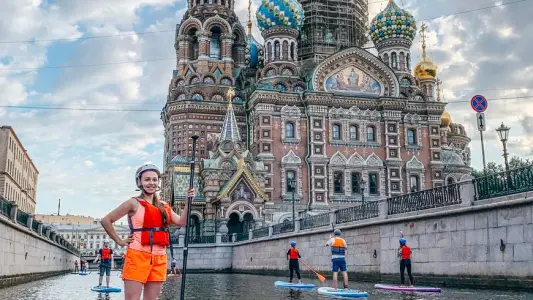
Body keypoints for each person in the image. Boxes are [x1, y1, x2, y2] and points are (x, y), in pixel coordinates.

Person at [100, 164, 195, 300]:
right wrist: (119, 241)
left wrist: (188, 201)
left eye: (155, 180)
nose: (151, 183)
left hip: (160, 257)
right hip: (138, 255)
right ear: (140, 182)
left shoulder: (164, 205)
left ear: (158, 182)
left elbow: (181, 222)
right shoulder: (133, 203)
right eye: (147, 180)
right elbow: (106, 220)